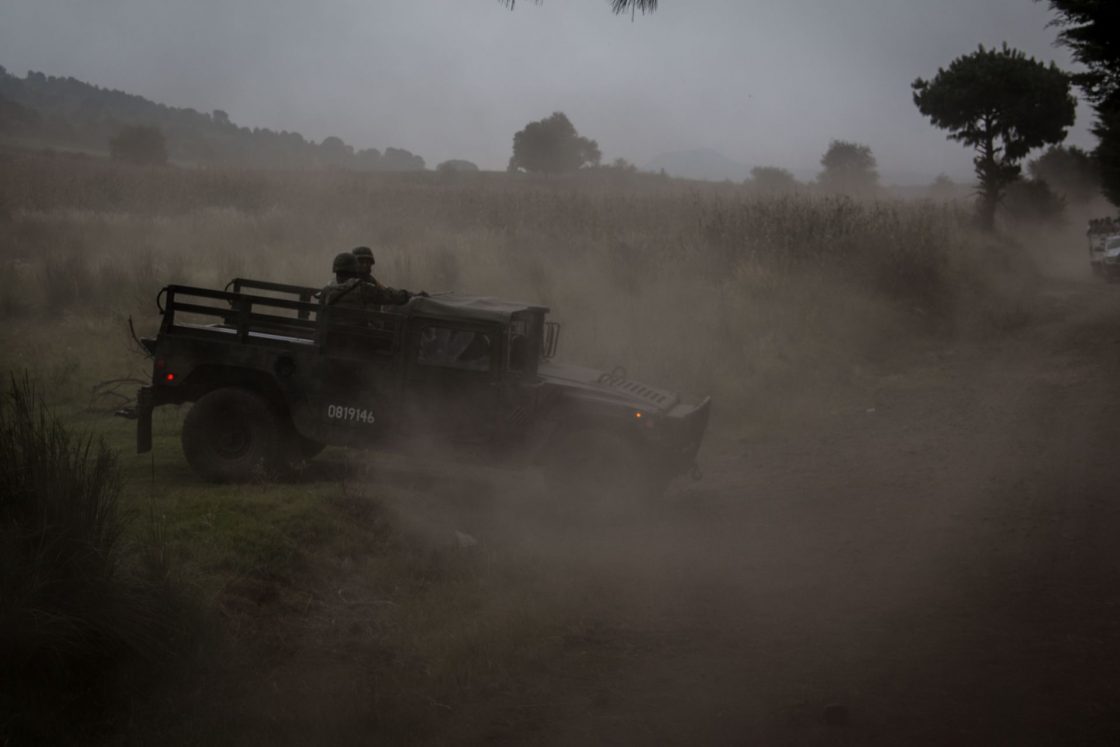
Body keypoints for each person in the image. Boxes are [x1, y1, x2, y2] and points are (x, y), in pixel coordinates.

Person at [321, 252, 416, 309]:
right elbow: (390, 296)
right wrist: (408, 295)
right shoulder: (363, 288)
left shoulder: (326, 291)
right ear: (355, 270)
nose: (366, 265)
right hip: (357, 340)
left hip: (330, 338)